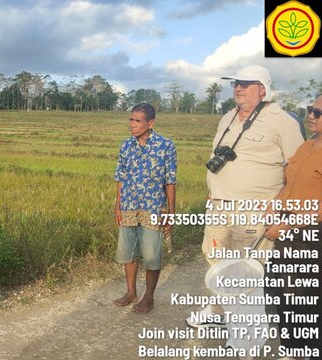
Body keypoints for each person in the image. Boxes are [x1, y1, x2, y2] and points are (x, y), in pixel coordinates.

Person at [187, 65, 303, 331]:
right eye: (235, 83)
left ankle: (245, 321)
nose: (238, 88)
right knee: (215, 258)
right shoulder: (228, 116)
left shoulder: (281, 120)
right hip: (219, 204)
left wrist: (279, 206)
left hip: (255, 210)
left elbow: (296, 171)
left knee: (247, 266)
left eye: (245, 83)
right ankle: (218, 310)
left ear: (262, 89)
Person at [264, 95, 322, 360]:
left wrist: (287, 224)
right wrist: (275, 205)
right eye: (311, 109)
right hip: (287, 230)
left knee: (304, 299)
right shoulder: (307, 144)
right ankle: (291, 348)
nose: (311, 115)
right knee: (279, 292)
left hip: (310, 236)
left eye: (318, 113)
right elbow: (289, 183)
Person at [113, 102, 176, 314]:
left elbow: (170, 182)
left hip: (153, 208)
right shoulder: (125, 146)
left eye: (137, 121)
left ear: (151, 123)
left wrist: (171, 212)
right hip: (129, 204)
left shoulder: (166, 146)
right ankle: (131, 292)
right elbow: (120, 179)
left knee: (151, 254)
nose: (132, 124)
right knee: (128, 251)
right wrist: (118, 207)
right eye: (131, 120)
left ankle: (148, 297)